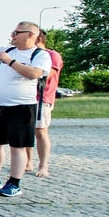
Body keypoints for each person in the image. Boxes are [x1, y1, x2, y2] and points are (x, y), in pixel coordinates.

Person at [0, 21, 51, 197]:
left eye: (17, 32)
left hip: (21, 107)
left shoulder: (39, 55)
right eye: (13, 32)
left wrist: (10, 61)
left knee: (17, 146)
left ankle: (15, 183)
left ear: (31, 35)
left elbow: (34, 74)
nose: (12, 35)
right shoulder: (8, 50)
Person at [26, 30, 62, 178]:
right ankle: (28, 162)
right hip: (25, 97)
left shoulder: (52, 55)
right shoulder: (26, 54)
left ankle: (43, 166)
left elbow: (45, 75)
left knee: (40, 130)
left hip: (42, 97)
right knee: (26, 130)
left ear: (37, 38)